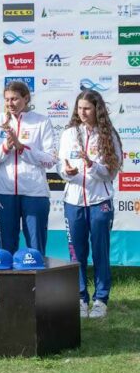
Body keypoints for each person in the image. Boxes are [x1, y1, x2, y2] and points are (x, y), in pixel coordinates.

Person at [58, 90, 122, 318]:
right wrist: (67, 172)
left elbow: (111, 171)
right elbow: (60, 166)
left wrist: (91, 165)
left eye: (87, 108)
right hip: (73, 201)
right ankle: (80, 297)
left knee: (100, 252)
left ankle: (101, 300)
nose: (82, 112)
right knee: (76, 253)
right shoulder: (68, 134)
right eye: (79, 108)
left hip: (99, 201)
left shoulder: (108, 135)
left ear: (97, 110)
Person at [0, 81, 57, 255]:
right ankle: (9, 283)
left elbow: (50, 159)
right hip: (4, 191)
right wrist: (6, 147)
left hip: (34, 193)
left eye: (15, 99)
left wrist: (21, 147)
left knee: (35, 248)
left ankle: (37, 282)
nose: (10, 103)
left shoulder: (41, 121)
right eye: (7, 99)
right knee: (7, 248)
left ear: (26, 98)